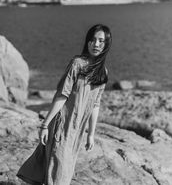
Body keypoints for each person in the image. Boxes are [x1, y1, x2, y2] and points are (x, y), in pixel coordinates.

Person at [17, 24, 112, 185]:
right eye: (93, 40)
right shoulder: (77, 64)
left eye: (101, 41)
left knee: (55, 167)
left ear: (107, 44)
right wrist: (45, 125)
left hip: (76, 131)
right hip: (62, 126)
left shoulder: (103, 73)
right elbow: (62, 95)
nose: (96, 44)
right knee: (58, 172)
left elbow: (95, 104)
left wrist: (90, 134)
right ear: (87, 42)